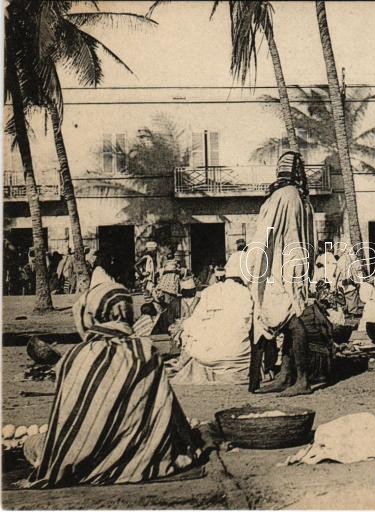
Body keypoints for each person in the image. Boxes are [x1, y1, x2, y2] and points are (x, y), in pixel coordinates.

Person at [25, 282, 198, 487]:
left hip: (82, 457)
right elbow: (169, 410)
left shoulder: (76, 356)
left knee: (32, 444)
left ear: (91, 314)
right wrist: (190, 444)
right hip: (142, 457)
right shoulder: (145, 351)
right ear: (127, 312)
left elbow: (66, 418)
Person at [248, 151, 315, 396]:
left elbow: (266, 233)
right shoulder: (299, 197)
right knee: (288, 321)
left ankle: (303, 380)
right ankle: (286, 375)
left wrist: (253, 261)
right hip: (293, 262)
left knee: (291, 321)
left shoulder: (283, 196)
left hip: (281, 265)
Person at [172, 256, 253, 385]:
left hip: (206, 356)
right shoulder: (245, 292)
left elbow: (194, 321)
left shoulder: (209, 291)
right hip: (237, 353)